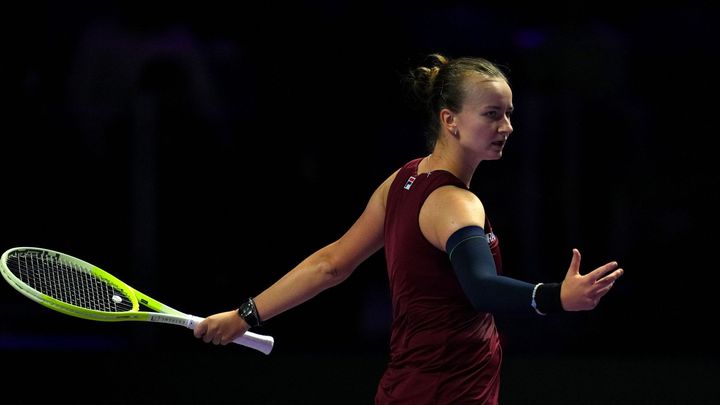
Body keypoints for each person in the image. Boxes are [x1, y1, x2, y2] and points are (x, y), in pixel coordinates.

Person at [193, 53, 624, 404]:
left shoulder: (403, 180)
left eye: (509, 114)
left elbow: (330, 265)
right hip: (449, 392)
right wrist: (555, 297)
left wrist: (244, 315)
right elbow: (481, 287)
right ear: (449, 119)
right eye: (492, 114)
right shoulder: (455, 203)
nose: (506, 127)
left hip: (406, 388)